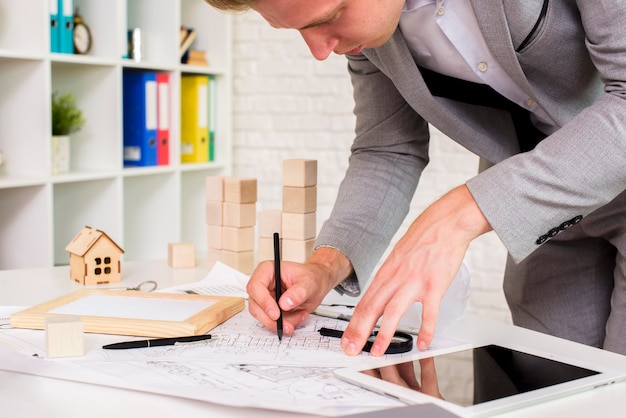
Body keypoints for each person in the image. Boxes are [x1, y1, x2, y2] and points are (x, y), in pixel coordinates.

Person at [203, 0, 626, 356]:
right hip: (544, 226)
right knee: (550, 389)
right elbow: (388, 147)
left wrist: (461, 213)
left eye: (329, 16)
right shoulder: (370, 39)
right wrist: (325, 266)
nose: (319, 50)